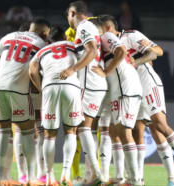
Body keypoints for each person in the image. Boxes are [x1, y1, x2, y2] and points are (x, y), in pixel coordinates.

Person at [98, 14, 174, 186]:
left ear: (107, 29)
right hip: (132, 88)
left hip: (148, 83)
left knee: (158, 124)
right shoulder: (105, 45)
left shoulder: (130, 35)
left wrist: (136, 61)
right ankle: (147, 180)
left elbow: (156, 51)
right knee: (137, 131)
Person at [0, 18, 51, 186]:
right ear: (44, 33)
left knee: (3, 132)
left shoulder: (10, 35)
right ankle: (31, 178)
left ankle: (1, 178)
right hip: (17, 88)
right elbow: (39, 70)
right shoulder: (41, 44)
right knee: (28, 131)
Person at [60, 1, 108, 184]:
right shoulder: (89, 27)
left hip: (89, 83)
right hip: (95, 83)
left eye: (68, 16)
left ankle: (96, 174)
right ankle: (93, 175)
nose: (68, 21)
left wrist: (73, 69)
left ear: (72, 13)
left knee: (83, 128)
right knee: (85, 129)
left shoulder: (84, 26)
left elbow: (91, 50)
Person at [29, 26, 84, 186]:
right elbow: (88, 57)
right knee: (71, 131)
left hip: (49, 88)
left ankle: (50, 178)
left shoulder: (42, 51)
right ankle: (66, 174)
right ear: (64, 38)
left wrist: (41, 89)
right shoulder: (73, 46)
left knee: (49, 135)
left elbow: (32, 71)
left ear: (49, 40)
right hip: (71, 86)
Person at [92, 20, 143, 186]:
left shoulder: (106, 36)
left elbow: (121, 51)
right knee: (115, 131)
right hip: (119, 90)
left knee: (124, 131)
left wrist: (106, 71)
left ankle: (135, 180)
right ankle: (122, 177)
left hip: (125, 88)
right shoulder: (100, 43)